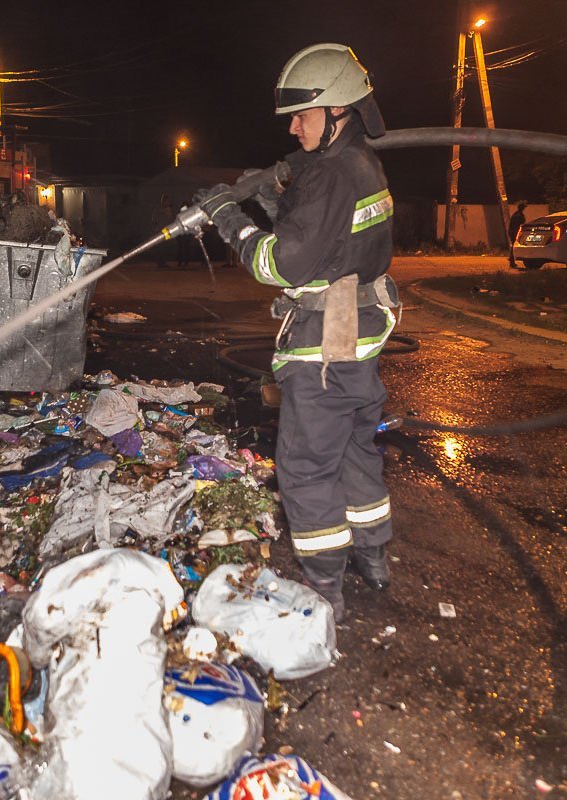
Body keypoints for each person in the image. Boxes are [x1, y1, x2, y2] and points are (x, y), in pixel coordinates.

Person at [194, 43, 398, 620]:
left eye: (301, 114)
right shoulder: (360, 165)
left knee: (308, 466)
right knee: (357, 452)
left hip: (325, 348)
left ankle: (325, 586)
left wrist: (228, 219)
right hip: (358, 336)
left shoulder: (333, 173)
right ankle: (374, 557)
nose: (292, 125)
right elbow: (328, 240)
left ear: (337, 112)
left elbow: (281, 266)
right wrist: (265, 198)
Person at [508, 201, 527, 268]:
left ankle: (512, 260)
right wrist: (516, 234)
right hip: (514, 232)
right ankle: (512, 261)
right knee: (514, 246)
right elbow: (516, 226)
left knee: (514, 246)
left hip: (514, 232)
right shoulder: (518, 215)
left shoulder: (518, 214)